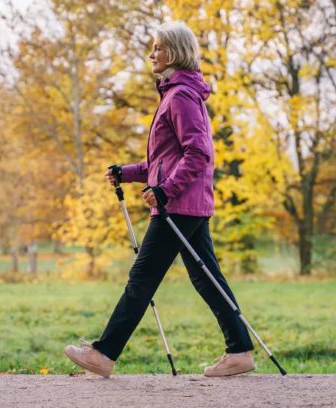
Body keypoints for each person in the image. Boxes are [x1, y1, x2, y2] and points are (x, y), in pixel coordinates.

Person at [63, 21, 255, 378]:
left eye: (158, 48)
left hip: (177, 205)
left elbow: (199, 153)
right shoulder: (174, 94)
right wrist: (128, 171)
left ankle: (103, 355)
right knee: (205, 277)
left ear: (175, 53)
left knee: (142, 278)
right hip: (186, 202)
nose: (152, 54)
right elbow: (163, 161)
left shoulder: (180, 95)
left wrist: (166, 190)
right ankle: (240, 350)